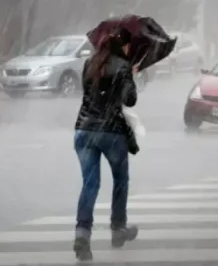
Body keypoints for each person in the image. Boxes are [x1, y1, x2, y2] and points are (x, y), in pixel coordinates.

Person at [73, 27, 140, 261]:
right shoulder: (122, 66)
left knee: (90, 185)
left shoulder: (89, 63)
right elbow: (129, 99)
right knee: (120, 180)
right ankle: (118, 229)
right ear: (123, 46)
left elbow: (90, 94)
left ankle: (82, 234)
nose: (129, 49)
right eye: (128, 45)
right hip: (111, 132)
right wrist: (131, 75)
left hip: (83, 130)